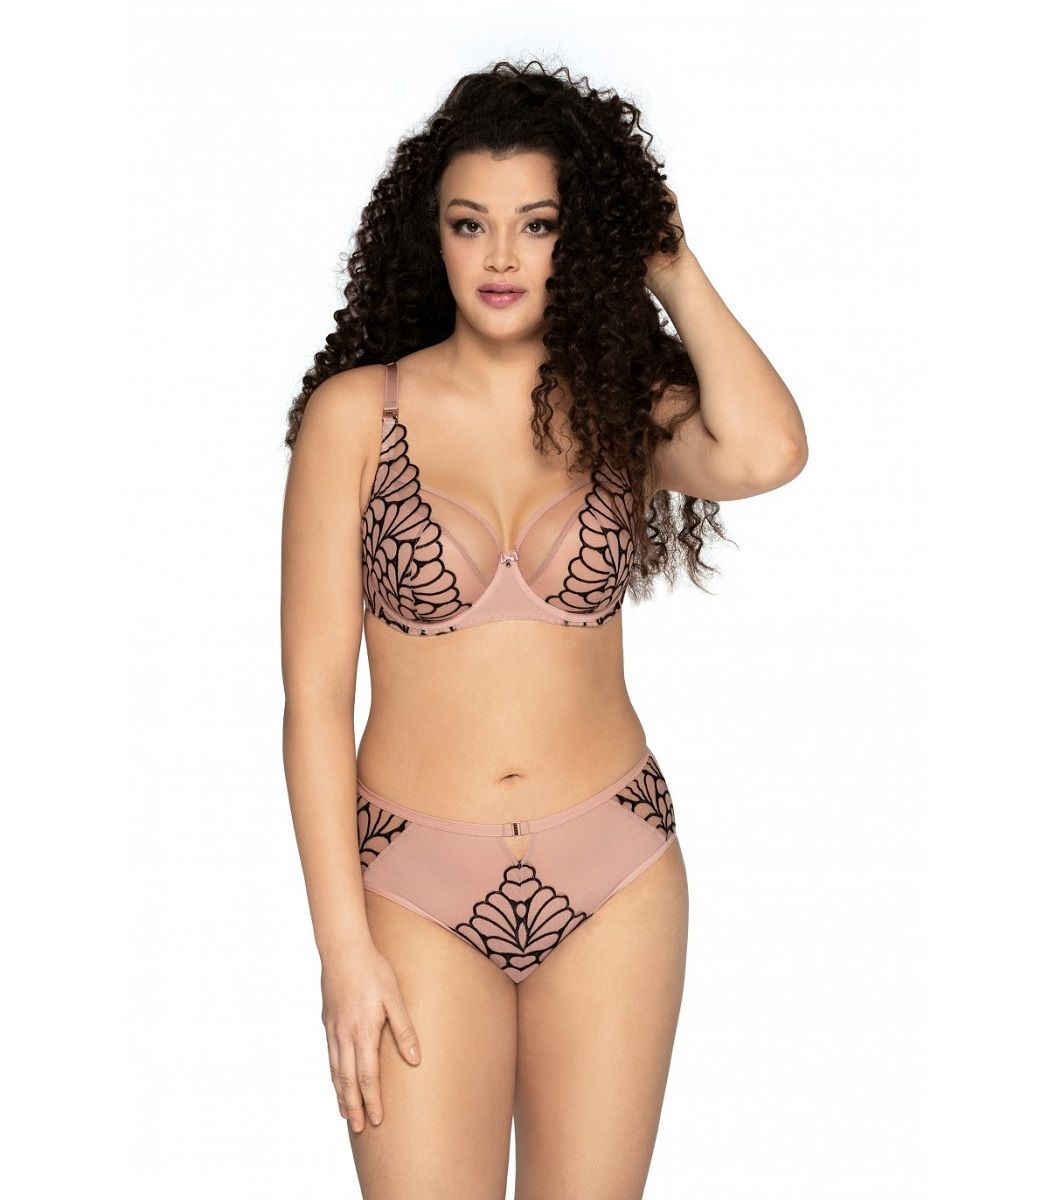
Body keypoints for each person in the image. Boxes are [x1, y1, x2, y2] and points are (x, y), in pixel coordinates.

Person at [281, 60, 807, 1199]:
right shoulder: (354, 416)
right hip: (411, 884)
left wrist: (668, 260)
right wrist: (342, 952)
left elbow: (768, 451)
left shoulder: (619, 403)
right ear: (432, 234)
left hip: (615, 869)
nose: (503, 257)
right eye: (470, 224)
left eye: (539, 224)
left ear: (581, 237)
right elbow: (314, 700)